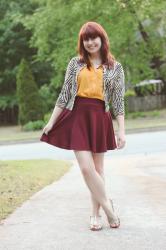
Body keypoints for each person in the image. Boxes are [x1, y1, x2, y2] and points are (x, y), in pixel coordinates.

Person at [40, 21, 126, 231]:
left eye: (93, 37)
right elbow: (64, 94)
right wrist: (51, 122)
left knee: (98, 169)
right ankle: (109, 209)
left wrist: (121, 131)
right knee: (87, 169)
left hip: (100, 117)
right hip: (78, 117)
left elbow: (118, 102)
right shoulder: (75, 64)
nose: (90, 42)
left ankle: (95, 214)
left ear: (101, 39)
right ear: (82, 42)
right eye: (86, 39)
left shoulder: (115, 67)